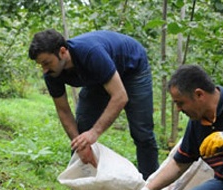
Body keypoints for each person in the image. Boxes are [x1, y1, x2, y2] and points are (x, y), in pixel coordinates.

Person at [28, 29, 160, 180]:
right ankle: (80, 179)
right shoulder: (51, 73)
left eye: (46, 63)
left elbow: (120, 96)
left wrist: (94, 133)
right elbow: (63, 111)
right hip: (99, 77)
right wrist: (81, 146)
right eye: (41, 65)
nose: (44, 70)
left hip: (132, 68)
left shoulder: (90, 53)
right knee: (83, 127)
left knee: (142, 132)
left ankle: (150, 185)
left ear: (62, 52)